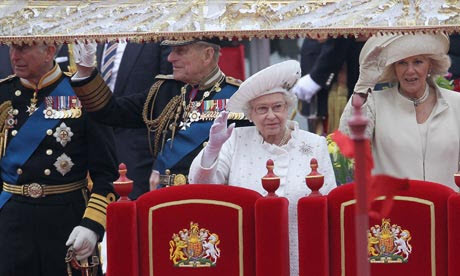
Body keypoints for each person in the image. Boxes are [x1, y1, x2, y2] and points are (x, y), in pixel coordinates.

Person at [188, 60, 337, 276]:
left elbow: (329, 201)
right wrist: (213, 147)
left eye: (277, 107)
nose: (271, 115)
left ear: (288, 108)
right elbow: (201, 187)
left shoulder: (314, 144)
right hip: (248, 251)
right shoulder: (236, 140)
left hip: (301, 251)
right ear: (251, 114)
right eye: (262, 109)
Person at [0, 42, 118, 276]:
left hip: (67, 218)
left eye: (24, 48)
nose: (15, 56)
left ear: (50, 50)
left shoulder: (82, 92)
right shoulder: (4, 94)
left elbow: (106, 173)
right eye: (11, 48)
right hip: (12, 221)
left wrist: (92, 225)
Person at [70, 38, 246, 189]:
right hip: (164, 200)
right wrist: (86, 73)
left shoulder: (239, 98)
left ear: (207, 55)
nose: (170, 58)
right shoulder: (164, 91)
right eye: (171, 51)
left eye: (180, 51)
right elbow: (111, 112)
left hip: (213, 200)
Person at [339, 33, 460, 191]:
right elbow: (348, 139)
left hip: (446, 209)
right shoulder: (375, 103)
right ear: (394, 68)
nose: (410, 71)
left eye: (418, 62)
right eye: (402, 63)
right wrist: (363, 85)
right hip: (393, 210)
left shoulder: (456, 102)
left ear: (430, 65)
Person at [96, 41, 172, 199]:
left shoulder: (156, 33)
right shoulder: (98, 31)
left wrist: (160, 163)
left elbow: (167, 96)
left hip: (138, 151)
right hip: (96, 145)